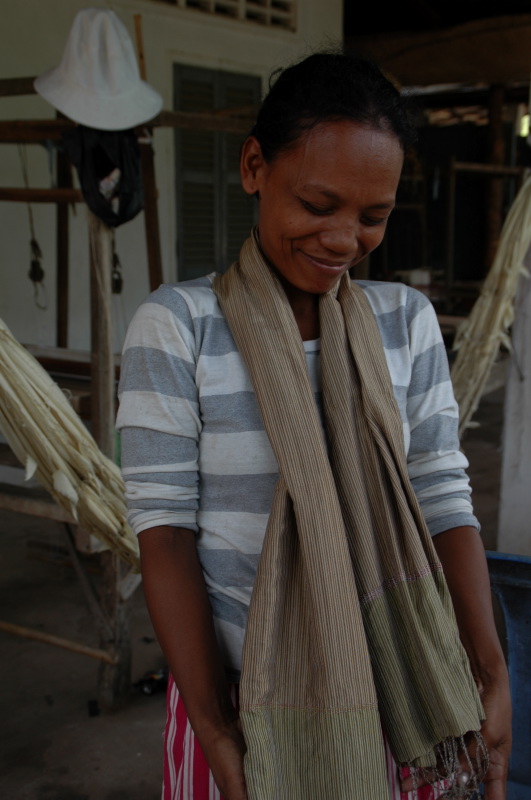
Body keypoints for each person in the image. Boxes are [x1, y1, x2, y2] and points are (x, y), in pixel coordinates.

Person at [116, 52, 511, 800]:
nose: (342, 239)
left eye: (372, 216)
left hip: (401, 694)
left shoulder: (404, 321)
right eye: (317, 203)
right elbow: (163, 532)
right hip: (244, 700)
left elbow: (439, 494)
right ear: (254, 166)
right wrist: (217, 732)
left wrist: (490, 674)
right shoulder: (179, 327)